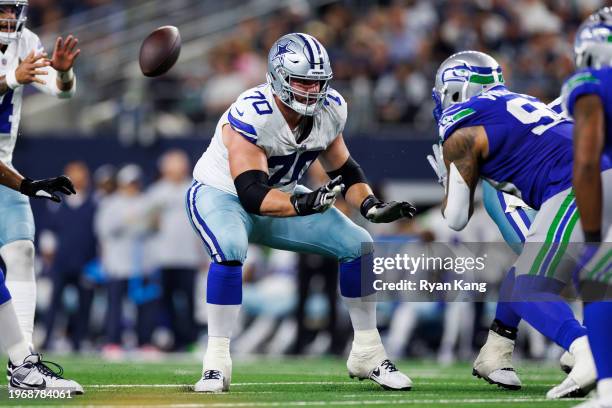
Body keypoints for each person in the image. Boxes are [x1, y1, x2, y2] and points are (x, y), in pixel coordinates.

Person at [187, 32, 416, 393]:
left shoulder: (331, 109)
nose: (311, 90)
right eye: (302, 81)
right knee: (230, 249)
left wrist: (371, 206)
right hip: (223, 196)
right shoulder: (252, 113)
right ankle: (216, 363)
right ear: (278, 77)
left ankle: (368, 352)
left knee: (359, 244)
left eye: (317, 82)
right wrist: (304, 203)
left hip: (283, 195)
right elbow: (250, 194)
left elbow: (346, 170)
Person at [430, 50, 611, 399]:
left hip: (577, 183)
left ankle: (585, 350)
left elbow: (455, 218)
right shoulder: (518, 100)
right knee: (525, 275)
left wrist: (448, 177)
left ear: (453, 91)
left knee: (531, 286)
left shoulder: (458, 129)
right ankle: (497, 350)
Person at [0, 0, 81, 388]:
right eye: (1, 9)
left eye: (12, 9)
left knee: (22, 250)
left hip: (2, 168)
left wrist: (63, 73)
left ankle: (24, 362)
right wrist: (13, 79)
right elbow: (14, 79)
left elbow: (60, 90)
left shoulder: (26, 40)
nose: (8, 18)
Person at [561, 7, 612, 407]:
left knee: (596, 277)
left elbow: (587, 161)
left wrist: (593, 234)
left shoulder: (591, 83)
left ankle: (609, 392)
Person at [0, 158, 80, 391]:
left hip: (5, 173)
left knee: (22, 251)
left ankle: (22, 363)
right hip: (10, 176)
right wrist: (25, 185)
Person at [143, 150, 204, 350]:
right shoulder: (156, 192)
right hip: (164, 257)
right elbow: (146, 225)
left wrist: (204, 254)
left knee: (189, 302)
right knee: (165, 302)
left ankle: (190, 340)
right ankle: (169, 339)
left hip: (188, 257)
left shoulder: (194, 189)